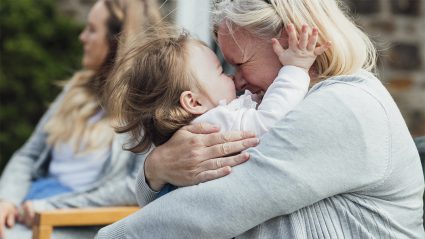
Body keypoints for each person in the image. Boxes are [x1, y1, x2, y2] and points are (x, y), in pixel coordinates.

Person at [97, 0, 425, 238]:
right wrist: (156, 169)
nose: (237, 81)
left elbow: (215, 209)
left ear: (288, 40)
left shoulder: (346, 106)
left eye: (240, 63)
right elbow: (179, 199)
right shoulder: (272, 105)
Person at [106, 24, 330, 196]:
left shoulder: (206, 122)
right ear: (193, 103)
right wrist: (295, 68)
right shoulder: (213, 125)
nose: (233, 77)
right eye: (220, 71)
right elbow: (269, 122)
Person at [0, 0, 161, 238]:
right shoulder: (75, 90)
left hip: (71, 222)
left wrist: (49, 208)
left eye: (92, 30)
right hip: (30, 205)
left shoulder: (147, 107)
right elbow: (28, 155)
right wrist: (7, 200)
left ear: (118, 41)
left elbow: (133, 187)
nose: (82, 37)